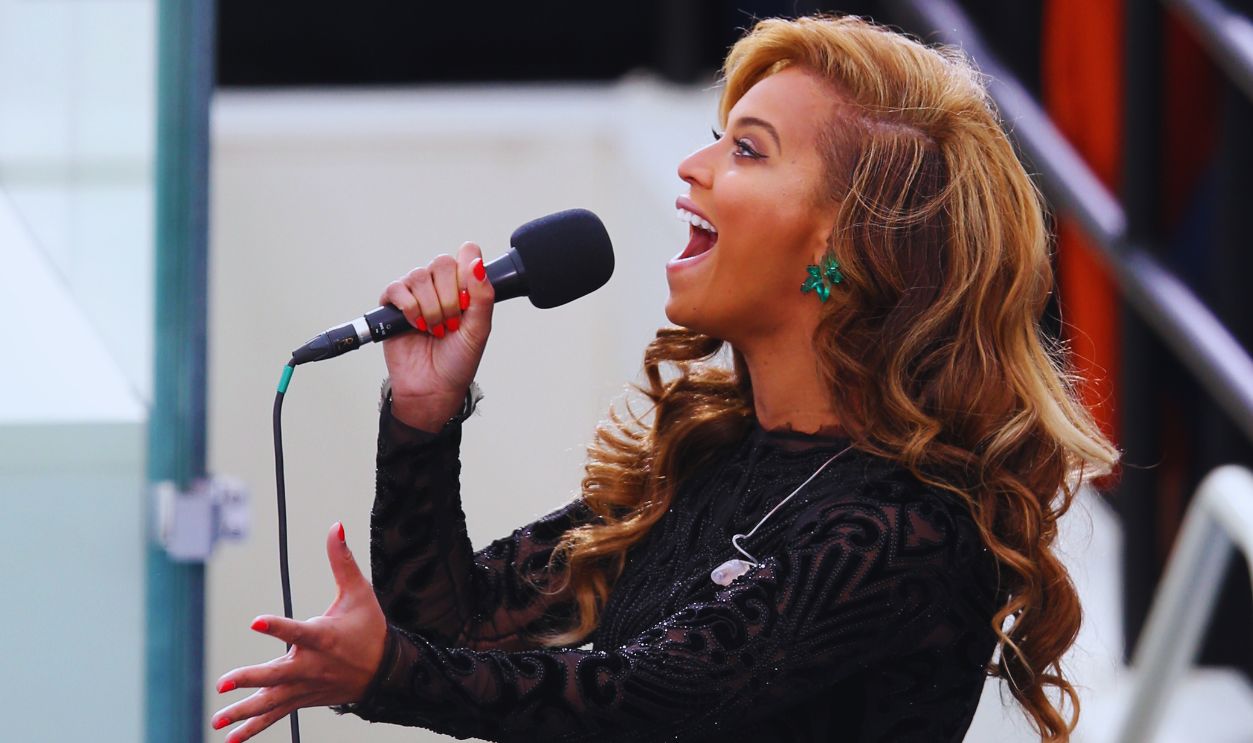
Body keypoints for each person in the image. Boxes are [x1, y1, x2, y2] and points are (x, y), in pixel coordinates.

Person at [212, 14, 1118, 743]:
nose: (693, 165)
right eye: (717, 136)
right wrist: (424, 413)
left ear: (845, 243)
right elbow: (458, 625)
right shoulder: (706, 464)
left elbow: (639, 699)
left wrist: (390, 673)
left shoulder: (905, 531)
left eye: (748, 149)